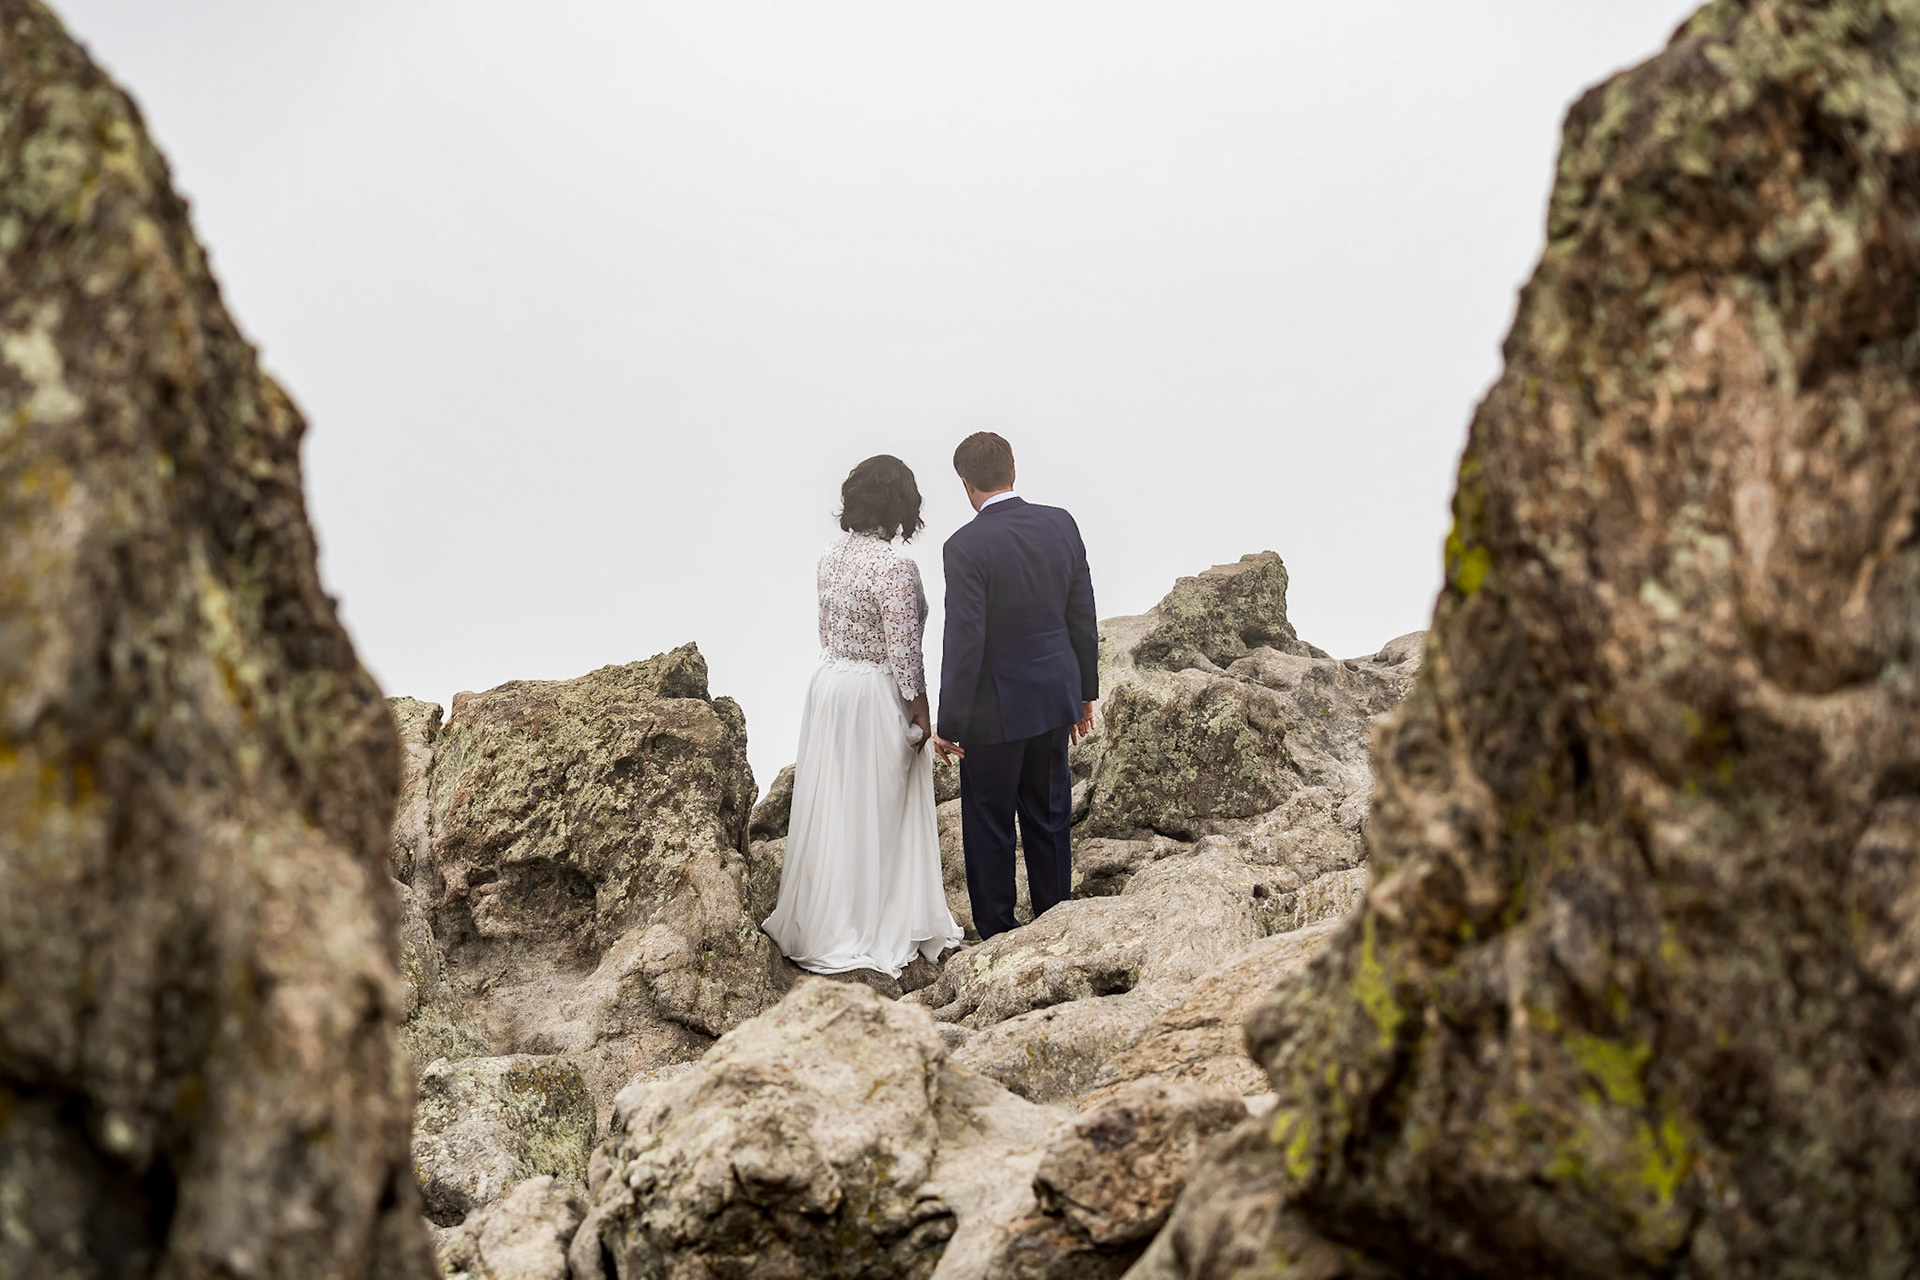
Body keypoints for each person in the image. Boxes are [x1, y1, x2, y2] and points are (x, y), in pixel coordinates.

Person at [762, 455, 964, 975]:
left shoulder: (829, 555)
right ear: (902, 507)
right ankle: (875, 920)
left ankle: (828, 915)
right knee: (879, 808)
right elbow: (904, 654)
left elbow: (827, 627)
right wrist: (922, 717)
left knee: (837, 804)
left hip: (830, 686)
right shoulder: (895, 567)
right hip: (874, 694)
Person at [931, 432, 1098, 940]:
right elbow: (1082, 613)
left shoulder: (964, 546)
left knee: (990, 824)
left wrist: (950, 721)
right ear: (1013, 471)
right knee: (1049, 815)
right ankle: (1055, 919)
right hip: (1053, 700)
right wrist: (1084, 695)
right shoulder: (1060, 523)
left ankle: (999, 931)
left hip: (992, 712)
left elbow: (965, 640)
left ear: (965, 483)